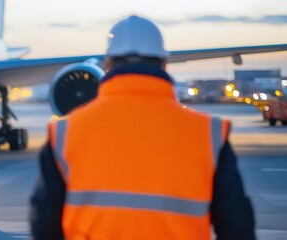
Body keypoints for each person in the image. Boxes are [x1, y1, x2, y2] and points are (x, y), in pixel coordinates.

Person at [30, 15, 255, 240]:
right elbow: (237, 227)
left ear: (107, 65)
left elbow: (45, 223)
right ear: (164, 64)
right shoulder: (208, 133)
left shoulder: (66, 132)